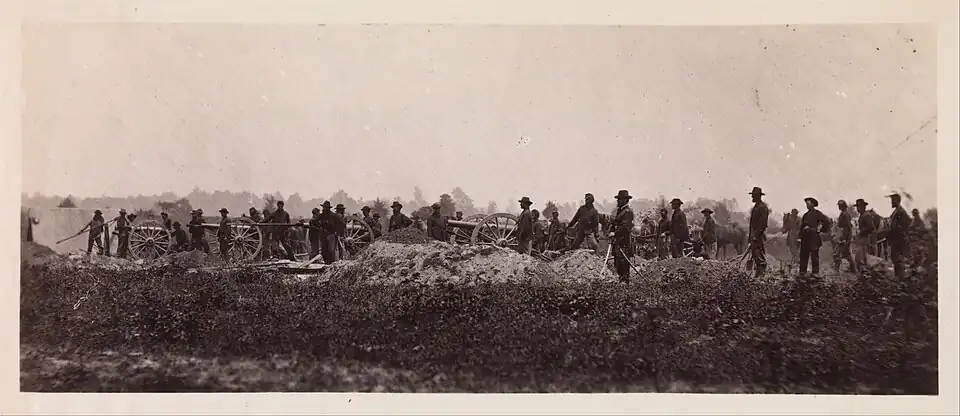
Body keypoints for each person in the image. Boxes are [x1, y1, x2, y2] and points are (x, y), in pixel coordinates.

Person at [799, 197, 830, 276]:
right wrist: (799, 237)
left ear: (813, 204)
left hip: (814, 238)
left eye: (808, 204)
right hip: (805, 238)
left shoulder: (818, 213)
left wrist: (820, 229)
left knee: (814, 255)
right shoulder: (805, 215)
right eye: (806, 204)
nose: (807, 206)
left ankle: (815, 273)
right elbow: (801, 227)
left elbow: (826, 221)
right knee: (803, 255)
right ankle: (802, 272)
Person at [609, 190, 635, 283]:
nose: (618, 201)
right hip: (618, 242)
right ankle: (620, 283)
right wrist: (612, 230)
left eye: (620, 199)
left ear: (625, 200)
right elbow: (614, 223)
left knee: (623, 263)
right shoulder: (619, 211)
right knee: (618, 263)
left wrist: (615, 233)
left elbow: (625, 228)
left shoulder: (628, 212)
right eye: (618, 199)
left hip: (624, 243)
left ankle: (624, 284)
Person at [746, 187, 769, 276]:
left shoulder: (763, 208)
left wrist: (756, 236)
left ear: (758, 196)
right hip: (754, 235)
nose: (752, 197)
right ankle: (758, 275)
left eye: (754, 195)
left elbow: (762, 224)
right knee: (755, 255)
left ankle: (761, 276)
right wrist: (750, 237)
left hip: (758, 236)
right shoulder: (756, 207)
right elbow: (751, 224)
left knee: (759, 255)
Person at [887, 193, 911, 279]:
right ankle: (898, 277)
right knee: (895, 258)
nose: (892, 202)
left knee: (898, 259)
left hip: (899, 239)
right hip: (896, 239)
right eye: (891, 200)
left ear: (898, 201)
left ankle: (900, 278)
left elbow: (902, 226)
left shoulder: (901, 212)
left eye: (893, 200)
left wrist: (891, 231)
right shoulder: (897, 211)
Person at [833, 200, 856, 273]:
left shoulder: (845, 214)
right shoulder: (844, 213)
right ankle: (853, 268)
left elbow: (847, 227)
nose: (839, 207)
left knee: (838, 253)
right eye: (838, 205)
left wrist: (844, 238)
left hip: (845, 236)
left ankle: (837, 270)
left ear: (843, 206)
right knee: (846, 253)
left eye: (840, 205)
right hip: (844, 235)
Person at [853, 199, 874, 272]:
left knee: (860, 258)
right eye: (857, 207)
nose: (857, 209)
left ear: (863, 207)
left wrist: (861, 232)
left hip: (864, 239)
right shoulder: (862, 215)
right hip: (862, 238)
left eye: (858, 207)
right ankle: (864, 274)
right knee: (861, 258)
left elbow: (871, 227)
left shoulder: (866, 215)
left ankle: (864, 274)